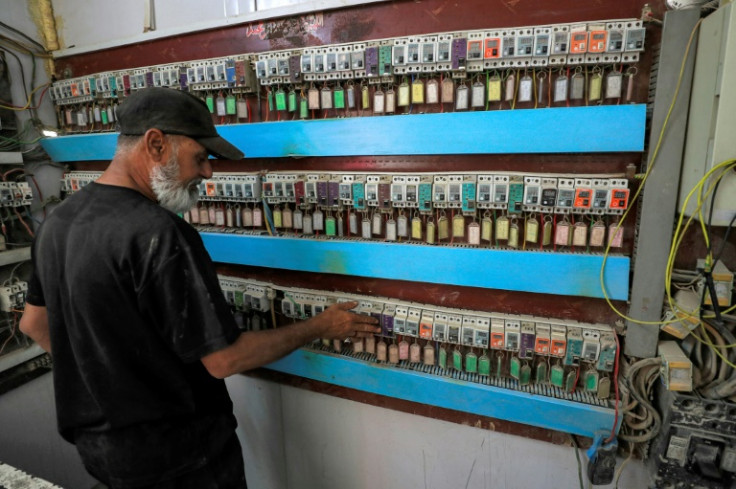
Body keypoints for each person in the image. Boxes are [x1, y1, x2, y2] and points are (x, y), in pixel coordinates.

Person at [19, 87, 380, 489]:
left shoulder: (57, 223)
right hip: (180, 459)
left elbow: (34, 325)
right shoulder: (159, 233)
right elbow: (223, 361)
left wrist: (105, 376)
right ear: (156, 144)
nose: (207, 173)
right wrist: (321, 327)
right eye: (200, 158)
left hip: (102, 452)